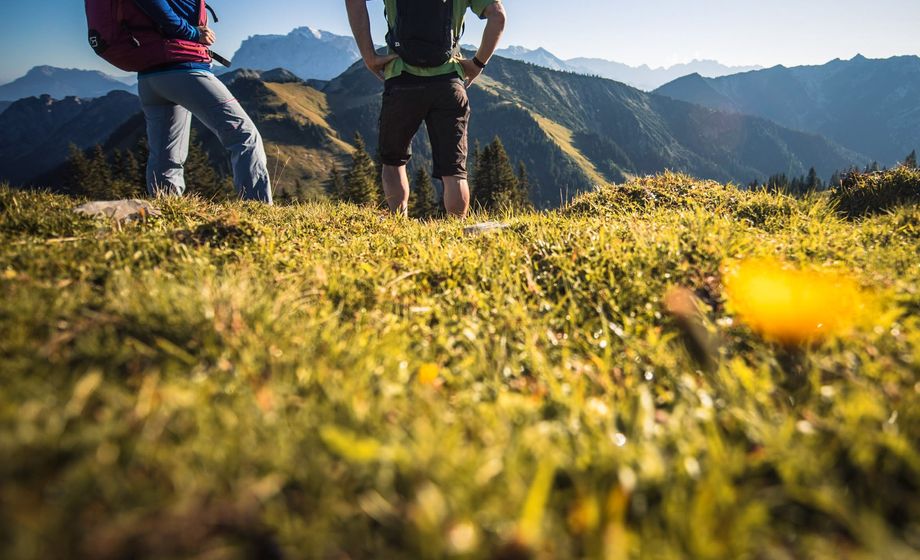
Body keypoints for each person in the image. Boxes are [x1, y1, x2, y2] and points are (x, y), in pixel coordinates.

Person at [345, 0, 507, 218]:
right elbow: (498, 16)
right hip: (449, 82)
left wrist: (369, 57)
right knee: (454, 170)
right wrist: (477, 64)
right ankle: (457, 235)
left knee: (393, 162)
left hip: (401, 79)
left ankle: (397, 229)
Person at [133, 0, 272, 203]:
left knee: (166, 154)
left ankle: (165, 214)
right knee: (244, 137)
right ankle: (257, 209)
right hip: (184, 70)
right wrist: (194, 33)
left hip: (149, 76)